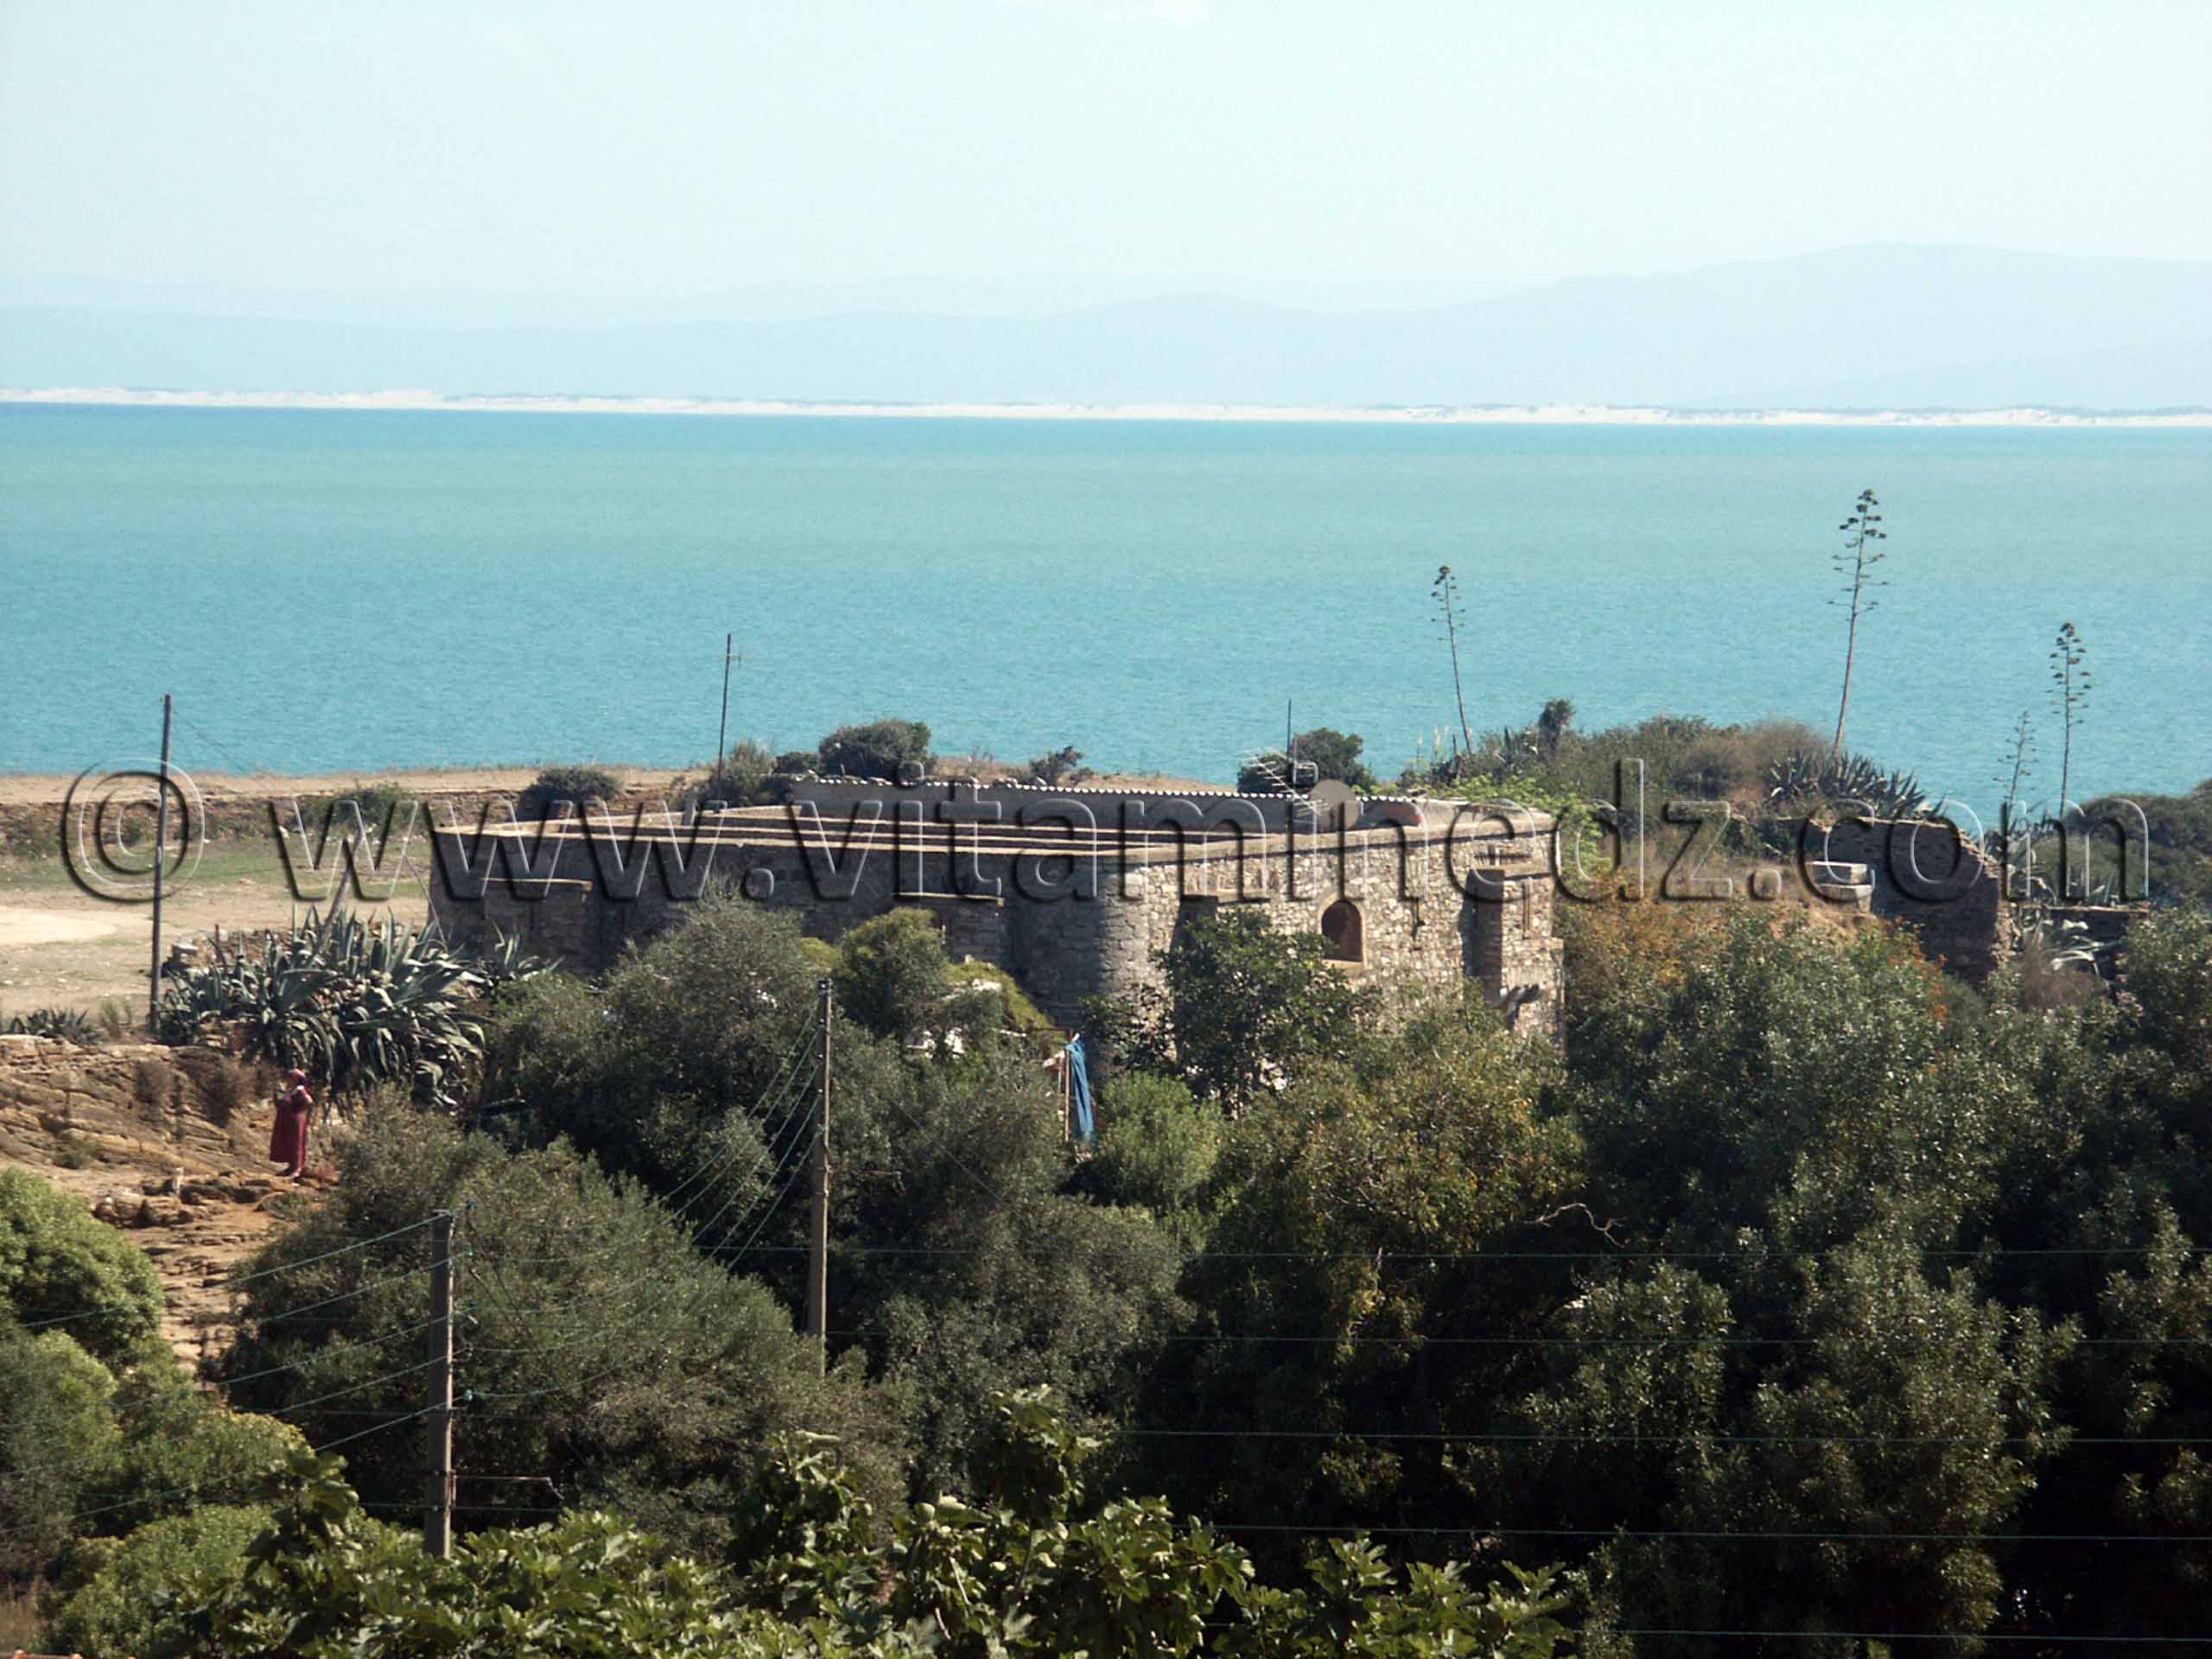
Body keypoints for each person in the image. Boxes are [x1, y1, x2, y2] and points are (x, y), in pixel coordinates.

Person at [270, 1067, 314, 1180]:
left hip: (295, 1121)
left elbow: (309, 1101)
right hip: (286, 1120)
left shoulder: (299, 1090)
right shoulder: (290, 1090)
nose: (287, 1079)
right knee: (288, 1142)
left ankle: (297, 1169)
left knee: (296, 1142)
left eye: (290, 1077)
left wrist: (297, 1111)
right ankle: (291, 1167)